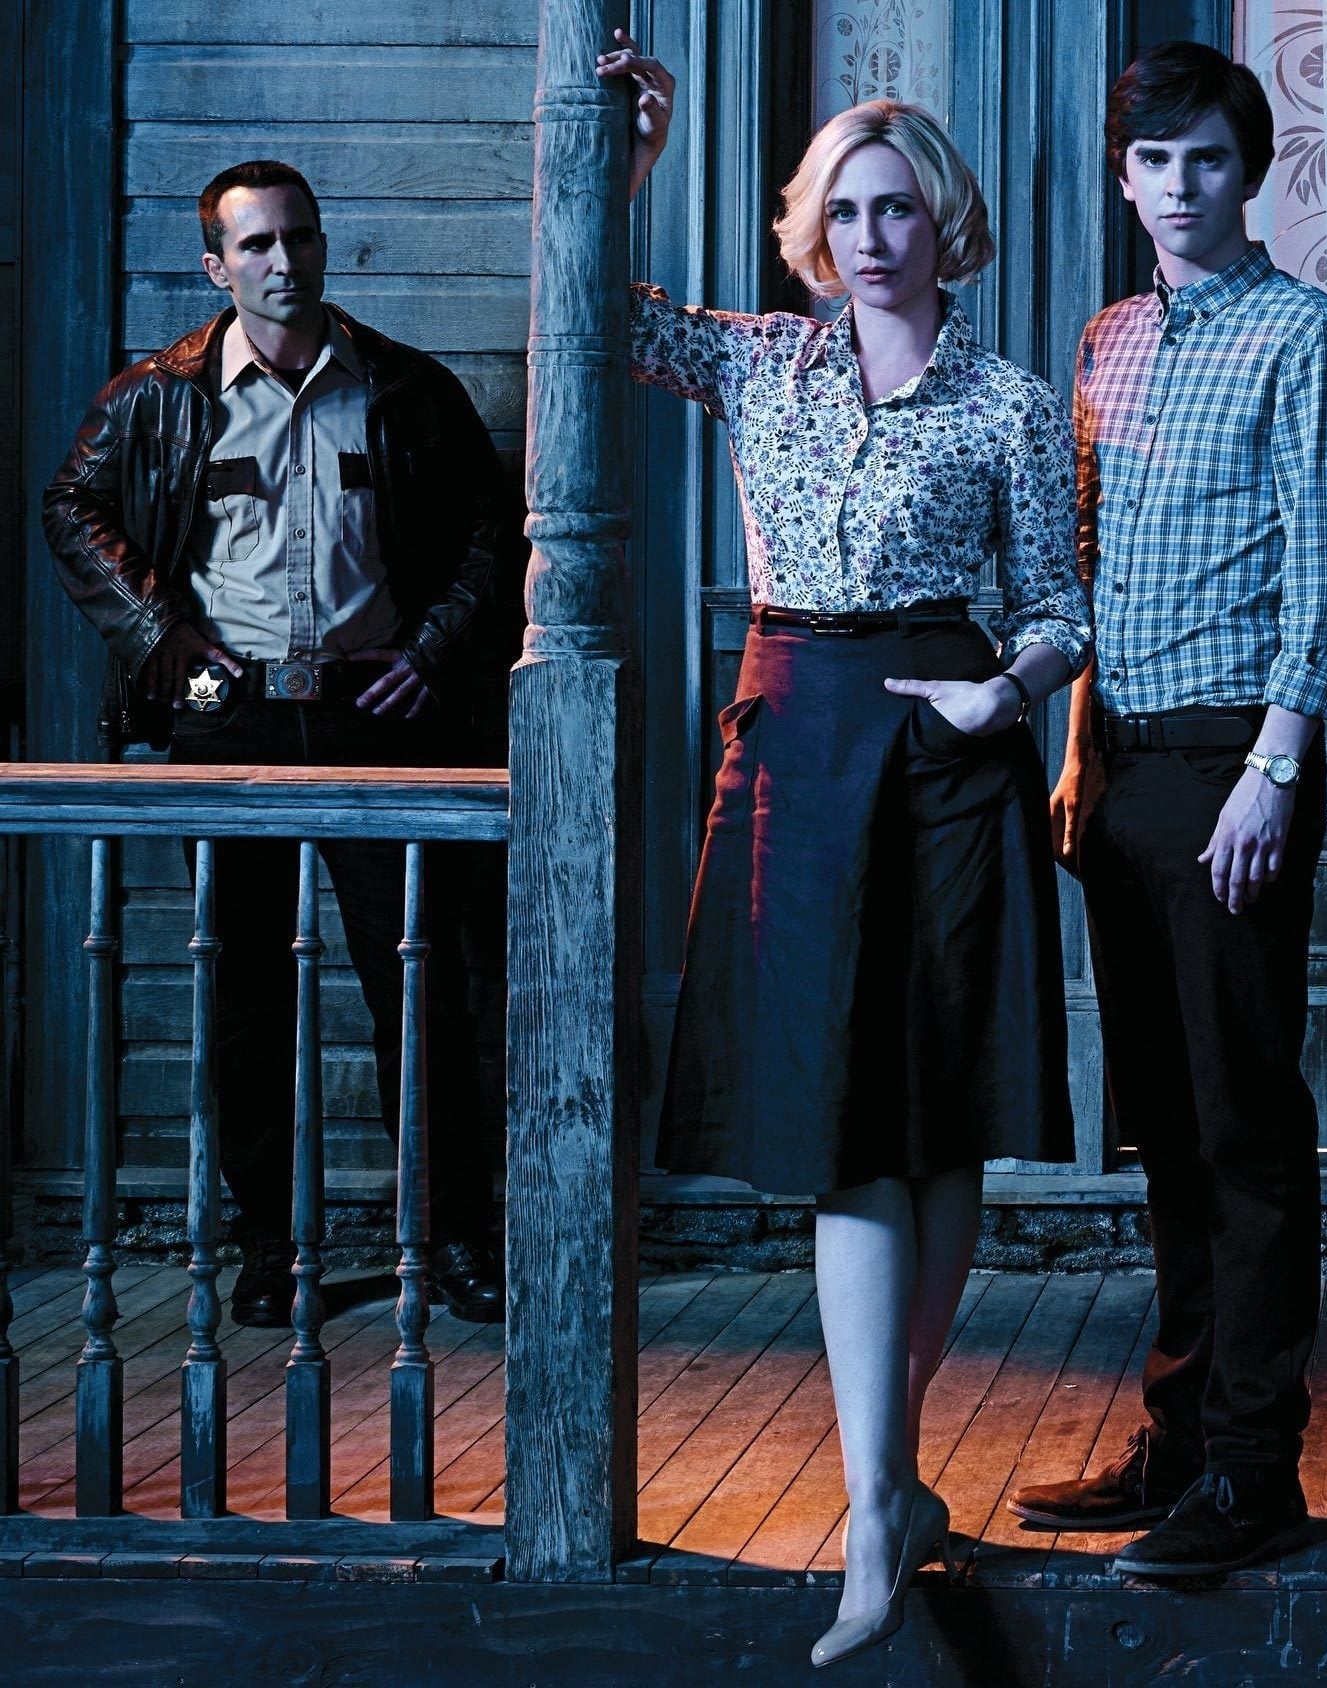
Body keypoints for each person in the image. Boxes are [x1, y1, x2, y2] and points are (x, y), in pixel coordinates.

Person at [596, 36, 1088, 1665]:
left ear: (946, 225)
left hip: (949, 747)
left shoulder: (1012, 404)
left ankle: (888, 1478)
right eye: (849, 211)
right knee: (844, 1129)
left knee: (941, 1131)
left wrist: (1006, 692)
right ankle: (883, 1502)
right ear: (816, 230)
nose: (874, 237)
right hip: (799, 738)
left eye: (901, 209)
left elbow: (1060, 607)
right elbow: (593, 318)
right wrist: (632, 165)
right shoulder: (761, 363)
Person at [1002, 41, 1327, 1581]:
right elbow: (1084, 570)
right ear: (1124, 177)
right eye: (1153, 162)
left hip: (1238, 763)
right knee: (1160, 1122)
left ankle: (1252, 1469)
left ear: (1250, 171)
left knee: (1243, 1122)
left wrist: (1273, 770)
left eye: (1206, 159)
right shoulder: (1107, 340)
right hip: (1123, 765)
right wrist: (1077, 753)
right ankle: (1175, 1444)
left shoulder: (1308, 336)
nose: (1178, 187)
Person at [43, 160, 517, 1329]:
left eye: (299, 237)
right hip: (231, 714)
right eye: (256, 245)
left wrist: (432, 652)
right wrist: (174, 654)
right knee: (245, 987)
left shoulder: (403, 387)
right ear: (216, 266)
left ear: (323, 243)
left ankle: (453, 1234)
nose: (284, 262)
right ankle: (268, 1244)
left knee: (420, 978)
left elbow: (491, 532)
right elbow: (72, 508)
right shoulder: (161, 396)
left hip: (376, 713)